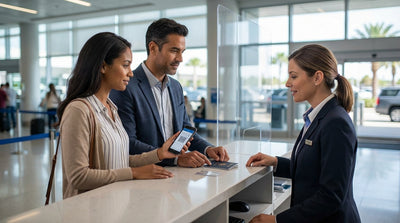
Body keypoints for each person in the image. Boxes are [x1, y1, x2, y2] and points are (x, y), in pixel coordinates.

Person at [57, 32, 189, 199]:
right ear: (103, 67)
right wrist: (134, 173)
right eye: (125, 65)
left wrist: (159, 154)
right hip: (90, 210)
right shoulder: (79, 110)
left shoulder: (111, 108)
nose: (131, 73)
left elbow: (119, 159)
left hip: (115, 204)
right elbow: (78, 177)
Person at [247, 44, 361, 223]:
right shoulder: (318, 115)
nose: (287, 83)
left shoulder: (336, 123)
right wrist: (276, 162)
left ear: (317, 77)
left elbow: (331, 196)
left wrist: (276, 221)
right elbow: (314, 169)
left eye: (293, 76)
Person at [110, 18, 229, 167]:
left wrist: (208, 148)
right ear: (153, 48)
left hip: (175, 176)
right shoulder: (125, 86)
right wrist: (175, 159)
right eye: (174, 51)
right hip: (143, 176)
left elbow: (185, 131)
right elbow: (128, 142)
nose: (180, 59)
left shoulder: (176, 87)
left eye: (182, 52)